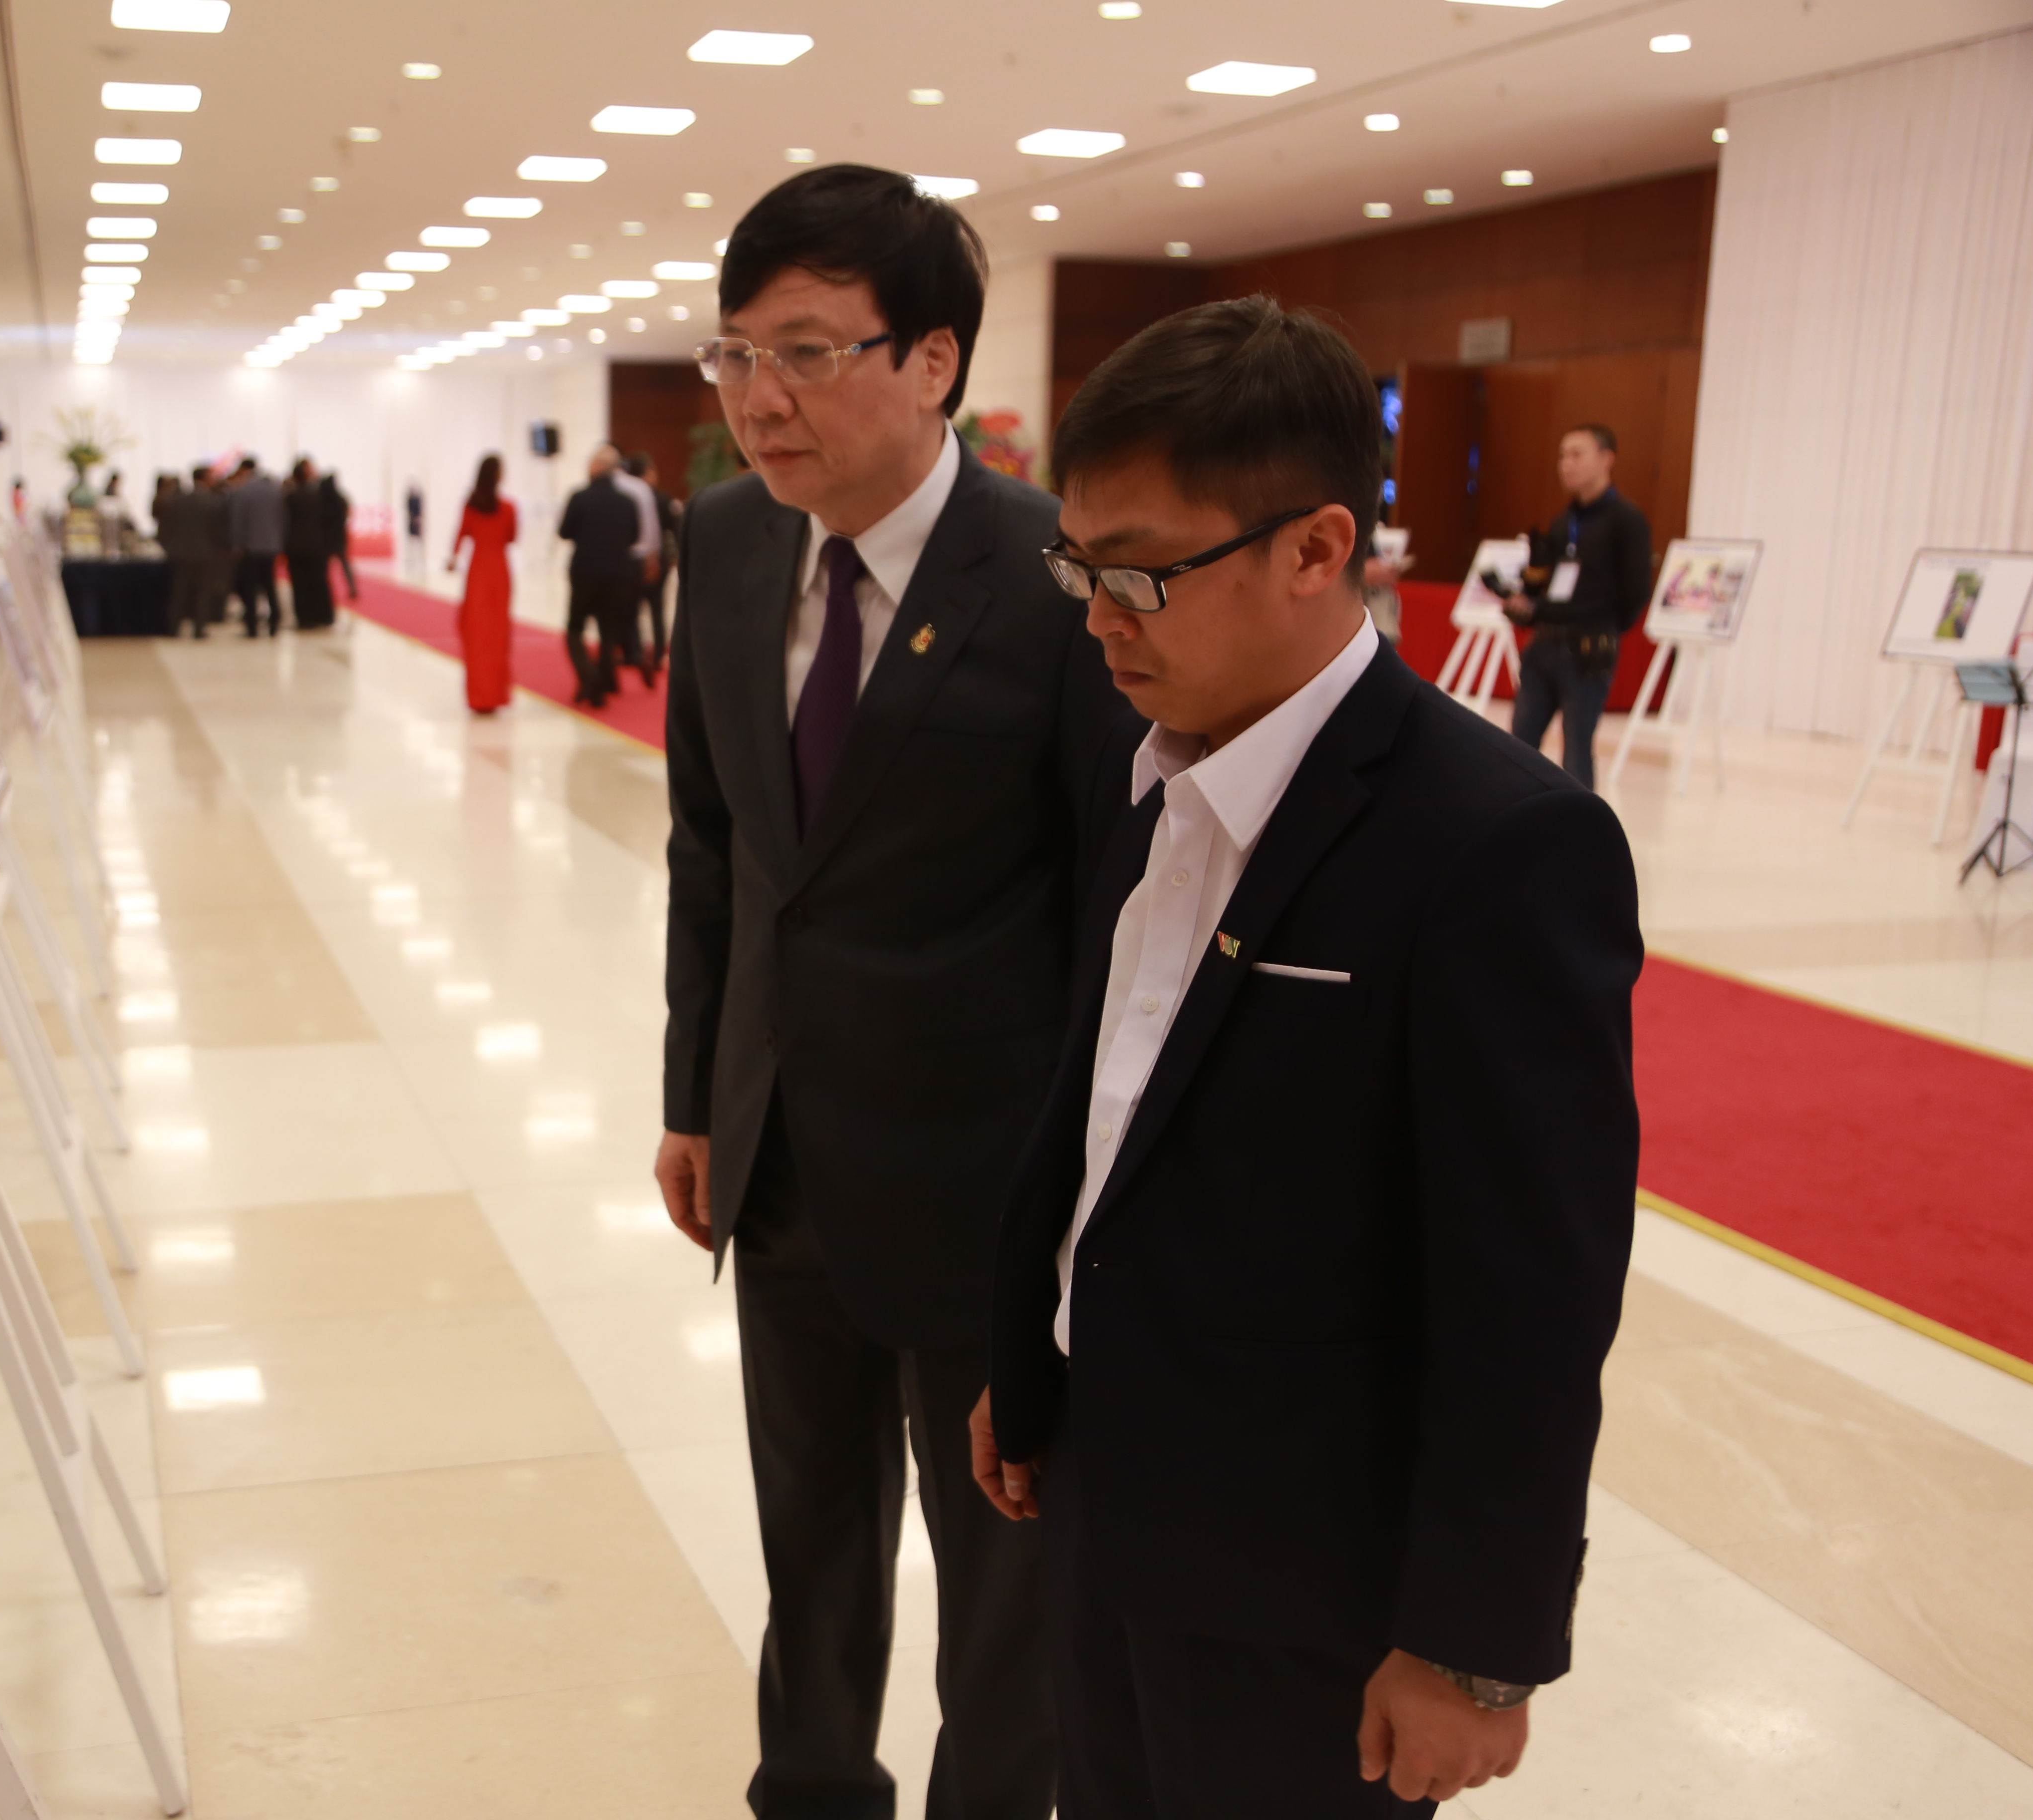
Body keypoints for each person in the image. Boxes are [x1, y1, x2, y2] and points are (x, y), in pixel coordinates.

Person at [971, 297, 1640, 1817]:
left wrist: (1475, 1645)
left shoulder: (1498, 845)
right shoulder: (1141, 773)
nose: (1099, 615)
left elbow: (1532, 1289)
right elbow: (1108, 1103)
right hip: (1101, 1506)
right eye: (1078, 564)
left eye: (1141, 569)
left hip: (1306, 1588)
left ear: (1319, 547)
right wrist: (1030, 1358)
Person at [657, 163, 1134, 1820]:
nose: (756, 400)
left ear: (931, 362)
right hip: (779, 1154)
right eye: (732, 355)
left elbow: (1110, 906)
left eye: (802, 353)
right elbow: (712, 841)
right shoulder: (720, 542)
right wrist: (689, 1093)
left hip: (985, 1186)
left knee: (1000, 1590)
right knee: (809, 1545)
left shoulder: (1053, 576)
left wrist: (1081, 1198)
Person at [1501, 425, 1654, 789]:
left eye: (1577, 454)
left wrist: (1601, 625)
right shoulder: (1562, 522)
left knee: (1576, 752)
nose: (1566, 464)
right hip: (1544, 647)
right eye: (1562, 455)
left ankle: (1580, 838)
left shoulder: (1627, 521)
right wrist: (1529, 602)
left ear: (1606, 459)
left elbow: (1636, 593)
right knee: (1517, 746)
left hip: (1587, 653)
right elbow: (1551, 587)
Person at [557, 447, 641, 707]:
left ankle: (589, 676)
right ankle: (604, 682)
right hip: (618, 575)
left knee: (575, 629)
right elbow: (634, 537)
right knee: (609, 632)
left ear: (594, 469)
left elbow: (564, 532)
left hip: (585, 573)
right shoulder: (628, 502)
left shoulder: (579, 498)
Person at [448, 453, 518, 714]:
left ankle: (478, 694)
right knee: (498, 635)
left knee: (477, 634)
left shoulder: (471, 505)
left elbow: (461, 533)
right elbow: (512, 538)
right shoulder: (509, 508)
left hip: (478, 573)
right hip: (499, 573)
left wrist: (454, 557)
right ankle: (496, 693)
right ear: (497, 475)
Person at [606, 443, 662, 680]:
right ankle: (638, 655)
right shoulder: (640, 489)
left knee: (610, 614)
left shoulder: (605, 486)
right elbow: (650, 529)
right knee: (633, 612)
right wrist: (652, 557)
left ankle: (619, 659)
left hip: (610, 560)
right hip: (636, 559)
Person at [626, 449, 679, 684]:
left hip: (633, 561)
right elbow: (676, 529)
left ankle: (637, 652)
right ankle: (658, 654)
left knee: (634, 609)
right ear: (648, 473)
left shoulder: (628, 498)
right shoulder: (662, 499)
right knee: (657, 607)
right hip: (659, 560)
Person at [163, 461, 231, 639]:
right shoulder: (215, 502)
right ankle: (199, 628)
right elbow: (220, 531)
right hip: (206, 554)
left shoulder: (178, 501)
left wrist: (170, 547)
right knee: (203, 593)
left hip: (180, 553)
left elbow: (166, 529)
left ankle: (173, 627)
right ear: (206, 479)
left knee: (179, 592)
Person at [227, 456, 286, 636]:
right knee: (270, 585)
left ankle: (252, 625)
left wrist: (237, 544)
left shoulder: (243, 491)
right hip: (270, 546)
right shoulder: (275, 491)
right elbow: (283, 519)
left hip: (250, 547)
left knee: (251, 587)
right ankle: (275, 620)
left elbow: (238, 521)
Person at [283, 458, 337, 629]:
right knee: (318, 582)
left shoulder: (290, 496)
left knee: (301, 585)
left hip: (296, 546)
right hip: (316, 546)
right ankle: (323, 616)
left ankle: (305, 618)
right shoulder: (320, 495)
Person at [322, 469, 360, 603]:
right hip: (339, 537)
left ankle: (327, 591)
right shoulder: (341, 498)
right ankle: (352, 588)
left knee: (326, 568)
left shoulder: (324, 500)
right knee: (345, 565)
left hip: (327, 538)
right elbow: (349, 512)